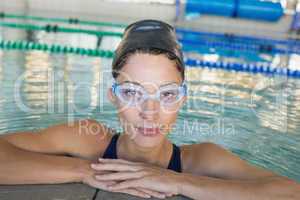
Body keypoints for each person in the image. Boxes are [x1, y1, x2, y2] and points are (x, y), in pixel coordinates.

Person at [0, 19, 299, 200]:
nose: (150, 111)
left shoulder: (201, 159)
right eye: (131, 92)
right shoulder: (85, 140)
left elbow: (290, 192)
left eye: (167, 94)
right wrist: (83, 171)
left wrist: (178, 181)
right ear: (113, 97)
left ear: (182, 99)